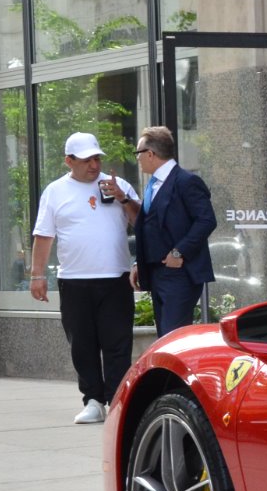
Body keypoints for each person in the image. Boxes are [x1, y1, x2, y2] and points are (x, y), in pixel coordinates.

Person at [29, 132, 139, 424]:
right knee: (82, 344)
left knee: (117, 343)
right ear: (69, 161)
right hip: (74, 280)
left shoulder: (118, 186)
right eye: (86, 159)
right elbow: (43, 236)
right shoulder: (55, 191)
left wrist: (123, 198)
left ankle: (117, 399)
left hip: (115, 278)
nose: (94, 164)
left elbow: (143, 222)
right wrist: (37, 275)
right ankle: (93, 400)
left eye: (97, 158)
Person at [131, 125, 216, 336]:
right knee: (165, 337)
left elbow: (207, 220)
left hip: (180, 273)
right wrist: (138, 263)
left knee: (173, 338)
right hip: (157, 273)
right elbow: (151, 228)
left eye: (138, 153)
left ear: (150, 154)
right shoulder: (153, 184)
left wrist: (179, 252)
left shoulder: (186, 181)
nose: (137, 159)